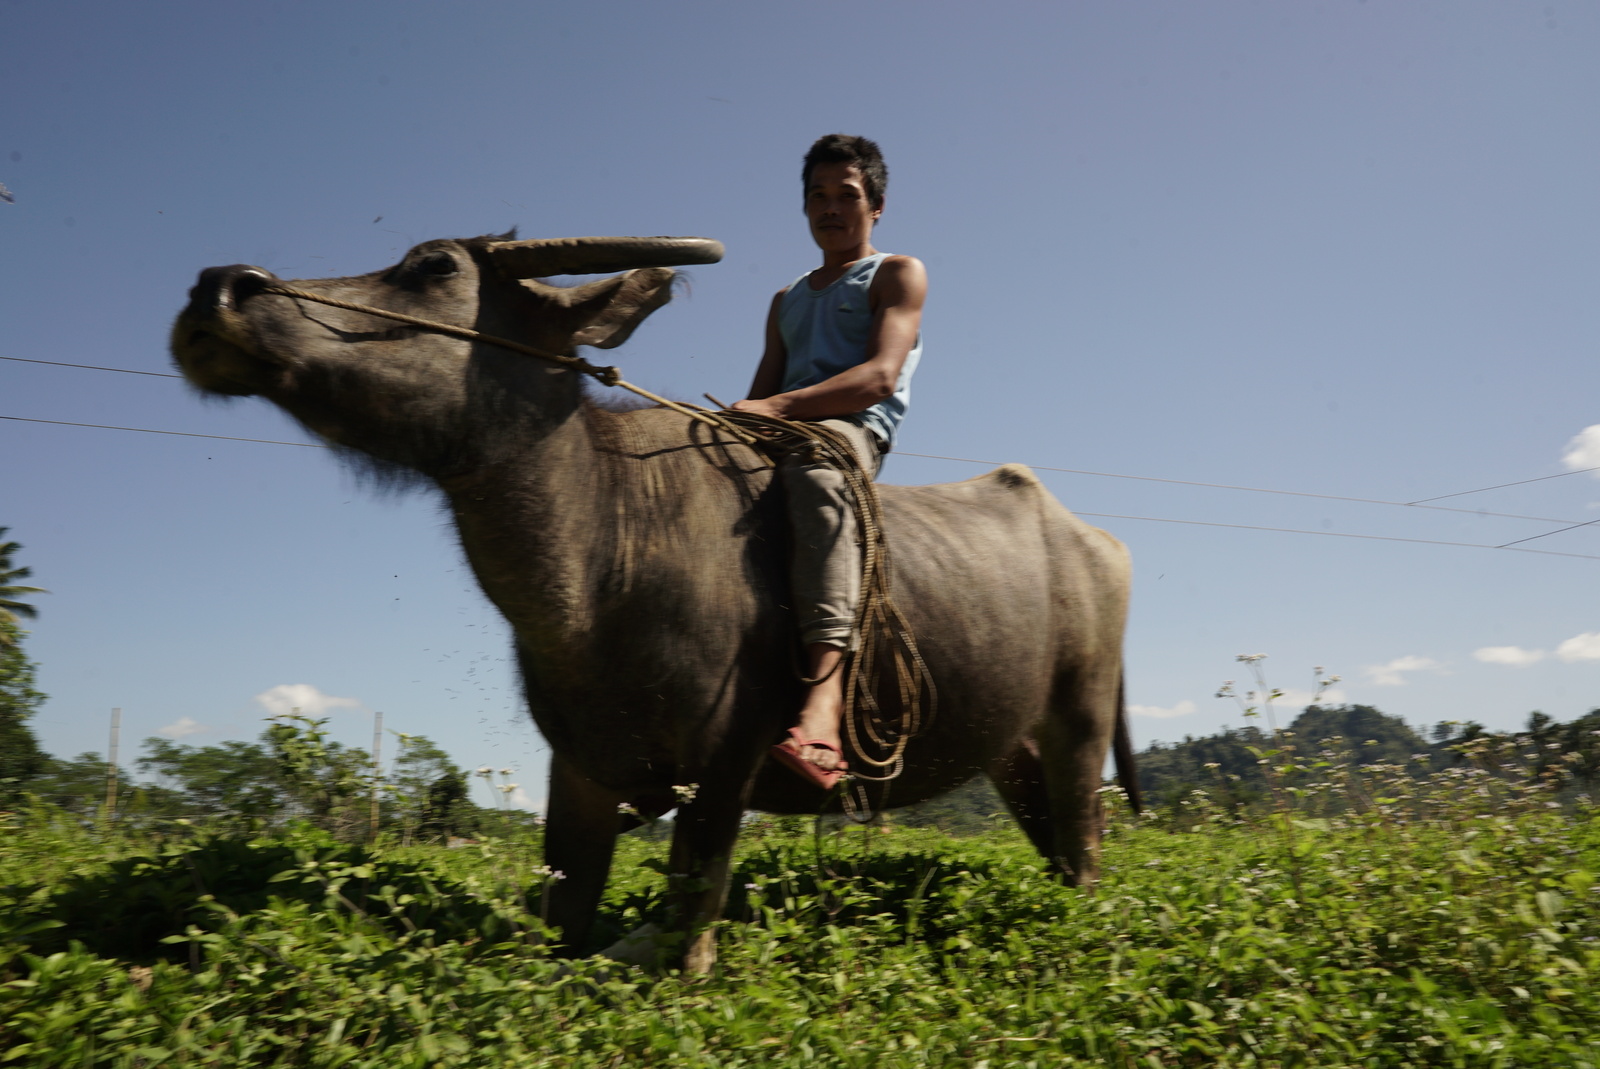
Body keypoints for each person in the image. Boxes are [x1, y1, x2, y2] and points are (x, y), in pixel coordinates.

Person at [731, 134, 927, 789]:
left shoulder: (896, 273)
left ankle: (824, 704)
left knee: (817, 476)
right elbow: (762, 391)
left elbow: (879, 376)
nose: (831, 208)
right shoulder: (785, 299)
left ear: (876, 207)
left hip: (849, 432)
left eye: (847, 195)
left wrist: (780, 409)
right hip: (784, 426)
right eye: (818, 196)